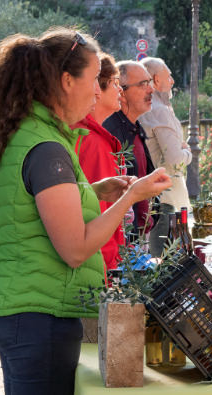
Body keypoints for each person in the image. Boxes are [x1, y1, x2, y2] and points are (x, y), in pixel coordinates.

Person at [0, 29, 172, 394]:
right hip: (37, 313)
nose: (98, 92)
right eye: (94, 80)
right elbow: (76, 248)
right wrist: (129, 199)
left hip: (26, 307)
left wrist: (95, 190)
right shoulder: (46, 146)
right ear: (67, 81)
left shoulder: (34, 133)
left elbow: (34, 204)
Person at [70, 52, 126, 271]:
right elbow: (98, 213)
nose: (120, 90)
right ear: (97, 90)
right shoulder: (92, 141)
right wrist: (110, 268)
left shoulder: (84, 133)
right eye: (114, 83)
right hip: (96, 265)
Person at [139, 57, 192, 254]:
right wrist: (187, 153)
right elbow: (175, 160)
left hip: (155, 194)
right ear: (155, 79)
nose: (172, 81)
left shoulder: (145, 110)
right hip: (168, 197)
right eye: (168, 76)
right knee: (169, 262)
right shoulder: (159, 111)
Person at [103, 61, 158, 245]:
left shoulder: (134, 126)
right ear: (122, 92)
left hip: (139, 237)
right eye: (142, 84)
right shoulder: (111, 132)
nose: (150, 89)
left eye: (149, 82)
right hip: (123, 242)